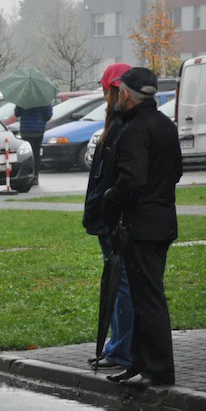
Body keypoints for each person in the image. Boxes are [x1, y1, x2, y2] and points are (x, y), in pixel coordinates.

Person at [102, 67, 182, 389]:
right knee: (145, 297)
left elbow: (132, 179)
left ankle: (157, 368)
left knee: (147, 300)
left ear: (126, 95)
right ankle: (140, 364)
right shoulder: (165, 125)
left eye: (119, 92)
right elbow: (176, 171)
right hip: (162, 221)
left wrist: (111, 197)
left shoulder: (134, 129)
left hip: (141, 224)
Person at [83, 62, 133, 372]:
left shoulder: (120, 128)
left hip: (114, 220)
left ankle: (121, 348)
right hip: (109, 217)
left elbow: (115, 179)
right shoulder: (116, 126)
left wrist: (105, 208)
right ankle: (119, 345)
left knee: (120, 283)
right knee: (119, 282)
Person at [13, 101, 52, 188]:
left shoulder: (23, 99)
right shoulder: (44, 100)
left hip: (25, 129)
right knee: (36, 153)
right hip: (38, 129)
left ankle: (26, 174)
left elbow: (17, 113)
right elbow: (48, 115)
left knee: (27, 153)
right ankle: (35, 176)